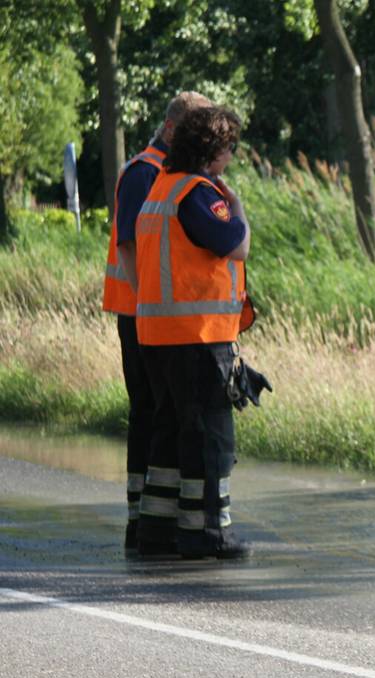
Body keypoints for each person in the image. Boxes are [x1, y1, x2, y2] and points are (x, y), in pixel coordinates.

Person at [133, 105, 254, 559]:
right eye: (229, 147)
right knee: (209, 437)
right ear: (213, 151)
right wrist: (238, 208)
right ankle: (208, 534)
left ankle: (158, 530)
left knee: (169, 433)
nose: (231, 156)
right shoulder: (200, 194)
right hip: (199, 338)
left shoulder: (161, 187)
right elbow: (235, 246)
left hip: (158, 338)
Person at [101, 91, 211, 555]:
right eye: (193, 132)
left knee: (165, 414)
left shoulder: (172, 175)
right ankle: (140, 520)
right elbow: (128, 247)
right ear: (170, 130)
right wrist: (150, 303)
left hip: (160, 318)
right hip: (141, 316)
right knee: (149, 412)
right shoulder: (144, 172)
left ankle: (157, 520)